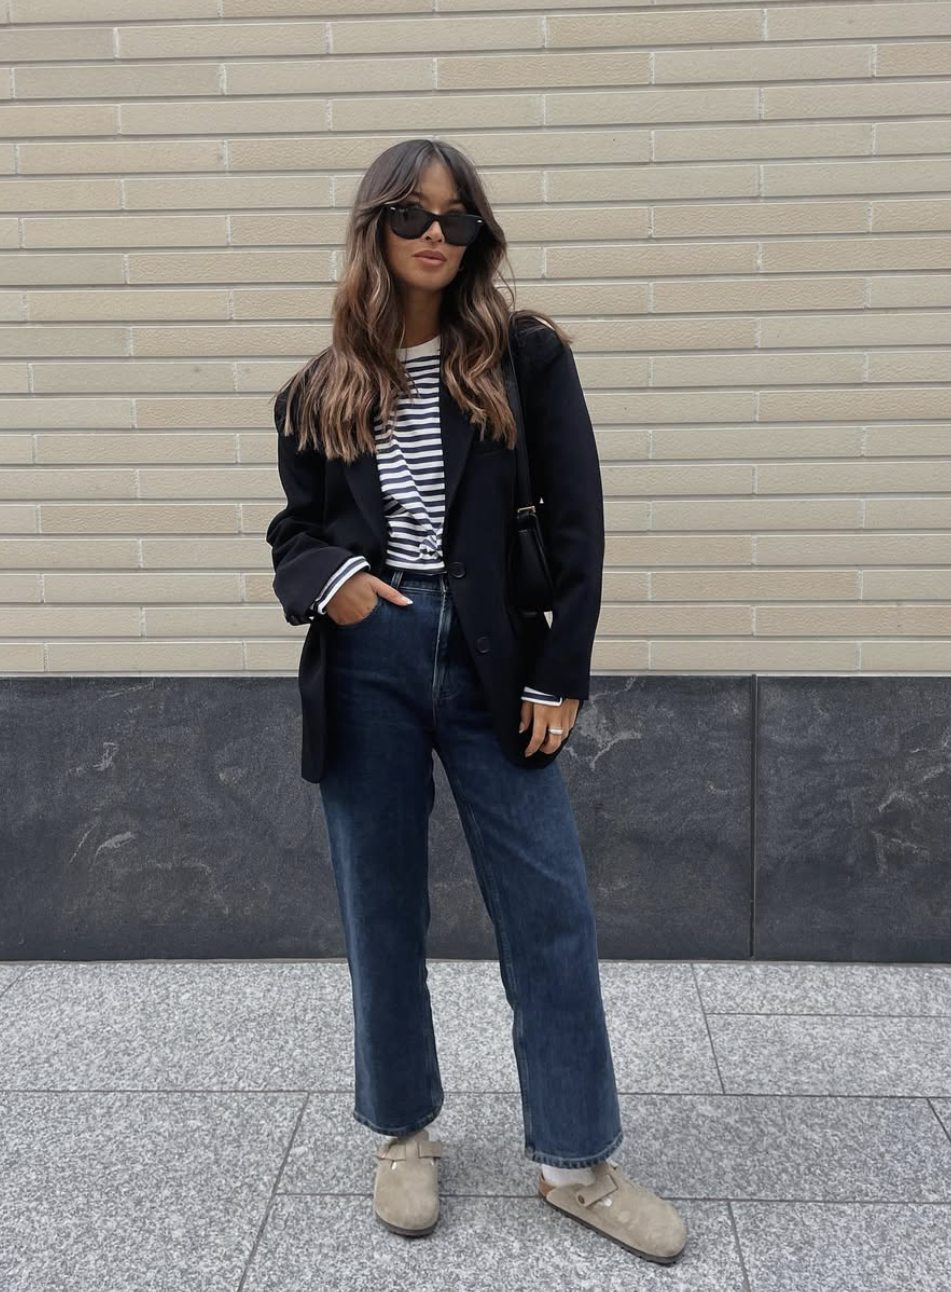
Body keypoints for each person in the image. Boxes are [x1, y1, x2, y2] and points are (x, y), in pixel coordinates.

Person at [266, 138, 688, 1265]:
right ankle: (403, 1133)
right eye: (411, 212)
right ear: (374, 227)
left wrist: (562, 670)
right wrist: (341, 590)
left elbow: (579, 522)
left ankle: (574, 1158)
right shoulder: (318, 390)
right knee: (381, 907)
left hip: (496, 658)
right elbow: (294, 535)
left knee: (548, 905)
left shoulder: (524, 355)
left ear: (477, 234)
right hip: (369, 658)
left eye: (456, 219)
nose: (434, 234)